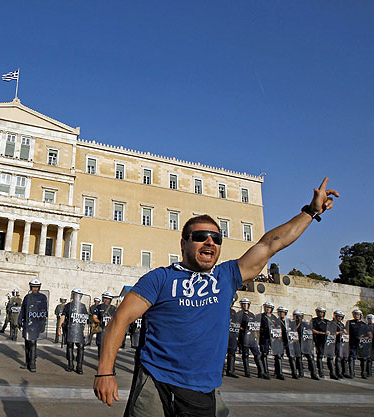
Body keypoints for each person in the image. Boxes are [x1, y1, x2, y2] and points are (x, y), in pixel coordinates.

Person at [93, 177, 338, 415]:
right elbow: (120, 320)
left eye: (216, 238)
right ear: (183, 244)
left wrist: (310, 212)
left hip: (203, 388)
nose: (209, 241)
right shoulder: (160, 278)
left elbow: (272, 243)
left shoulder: (228, 275)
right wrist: (105, 372)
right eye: (200, 237)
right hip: (156, 381)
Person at [18, 279, 48, 372]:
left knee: (32, 342)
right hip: (28, 323)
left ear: (39, 287)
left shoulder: (42, 297)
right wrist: (19, 321)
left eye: (36, 287)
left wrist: (43, 323)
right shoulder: (27, 297)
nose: (34, 288)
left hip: (36, 323)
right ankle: (27, 362)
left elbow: (44, 311)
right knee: (27, 342)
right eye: (33, 287)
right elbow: (23, 309)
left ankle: (32, 363)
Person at [58, 288, 89, 374]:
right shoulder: (68, 305)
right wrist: (59, 327)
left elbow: (85, 318)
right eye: (75, 295)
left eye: (79, 296)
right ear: (73, 296)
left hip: (79, 329)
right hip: (70, 328)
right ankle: (70, 364)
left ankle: (79, 366)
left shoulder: (82, 306)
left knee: (81, 347)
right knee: (70, 346)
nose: (77, 297)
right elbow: (63, 316)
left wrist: (84, 328)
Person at [237, 298, 264, 378]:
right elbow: (237, 325)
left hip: (252, 338)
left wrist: (256, 335)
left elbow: (255, 325)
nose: (245, 306)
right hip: (244, 337)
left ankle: (261, 372)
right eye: (244, 304)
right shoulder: (239, 314)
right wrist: (243, 328)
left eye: (247, 304)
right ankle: (247, 372)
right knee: (245, 355)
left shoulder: (252, 315)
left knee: (257, 355)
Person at [293, 310, 320, 380]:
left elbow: (310, 330)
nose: (299, 317)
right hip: (297, 343)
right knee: (299, 358)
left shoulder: (304, 324)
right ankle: (301, 372)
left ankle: (313, 373)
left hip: (305, 343)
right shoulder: (292, 324)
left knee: (310, 357)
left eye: (300, 316)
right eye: (298, 316)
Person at [92, 291, 116, 360]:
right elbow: (94, 317)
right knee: (101, 349)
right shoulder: (98, 307)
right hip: (101, 330)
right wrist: (100, 322)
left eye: (108, 299)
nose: (106, 300)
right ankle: (101, 366)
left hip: (110, 331)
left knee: (111, 350)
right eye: (105, 298)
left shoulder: (113, 308)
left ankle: (112, 368)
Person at [277, 306, 298, 379]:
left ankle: (294, 373)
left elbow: (293, 330)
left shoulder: (289, 322)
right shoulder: (276, 321)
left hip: (288, 341)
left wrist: (293, 338)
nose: (281, 314)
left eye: (283, 312)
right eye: (280, 312)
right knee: (279, 356)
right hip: (280, 341)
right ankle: (279, 373)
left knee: (291, 357)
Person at [347, 308, 365, 378]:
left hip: (361, 344)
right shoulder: (350, 322)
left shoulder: (363, 324)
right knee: (351, 358)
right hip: (352, 343)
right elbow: (347, 331)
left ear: (360, 315)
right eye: (355, 314)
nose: (356, 316)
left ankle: (363, 373)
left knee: (363, 358)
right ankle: (352, 373)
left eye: (357, 314)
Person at [311, 306, 328, 378]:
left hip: (326, 340)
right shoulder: (314, 320)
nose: (320, 314)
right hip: (318, 339)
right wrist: (321, 333)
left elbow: (331, 329)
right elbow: (312, 329)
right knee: (320, 355)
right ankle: (320, 371)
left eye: (322, 312)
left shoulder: (327, 321)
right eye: (319, 312)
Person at [334, 310, 349, 378]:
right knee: (338, 358)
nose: (339, 318)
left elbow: (345, 331)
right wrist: (339, 332)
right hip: (336, 342)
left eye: (341, 317)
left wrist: (345, 332)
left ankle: (345, 372)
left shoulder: (341, 324)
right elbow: (332, 332)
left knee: (344, 357)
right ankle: (338, 372)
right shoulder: (332, 323)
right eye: (338, 316)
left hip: (342, 342)